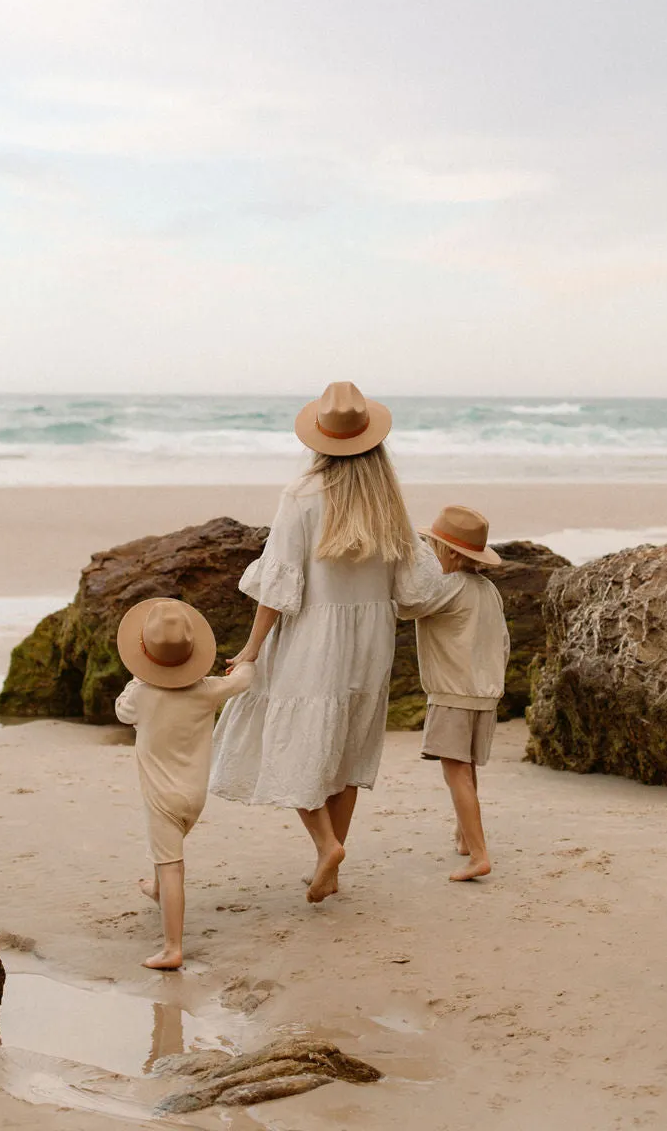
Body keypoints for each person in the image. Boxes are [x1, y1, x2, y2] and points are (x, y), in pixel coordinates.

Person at [209, 380, 440, 903]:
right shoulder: (389, 501)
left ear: (319, 439)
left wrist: (250, 648)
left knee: (296, 744)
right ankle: (331, 861)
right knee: (348, 749)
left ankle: (325, 845)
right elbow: (415, 589)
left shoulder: (302, 495)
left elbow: (279, 583)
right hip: (371, 637)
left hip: (314, 634)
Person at [114, 597, 255, 969]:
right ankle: (158, 889)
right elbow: (244, 680)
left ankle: (172, 947)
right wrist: (246, 660)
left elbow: (121, 710)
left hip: (160, 798)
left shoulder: (141, 695)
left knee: (172, 864)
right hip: (195, 796)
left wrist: (137, 676)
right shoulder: (207, 690)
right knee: (167, 854)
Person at [398, 504, 510, 882]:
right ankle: (465, 838)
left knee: (456, 772)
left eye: (433, 548)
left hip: (452, 693)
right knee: (467, 768)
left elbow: (407, 606)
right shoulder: (488, 589)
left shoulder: (448, 587)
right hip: (484, 693)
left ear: (448, 554)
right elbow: (504, 643)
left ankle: (479, 854)